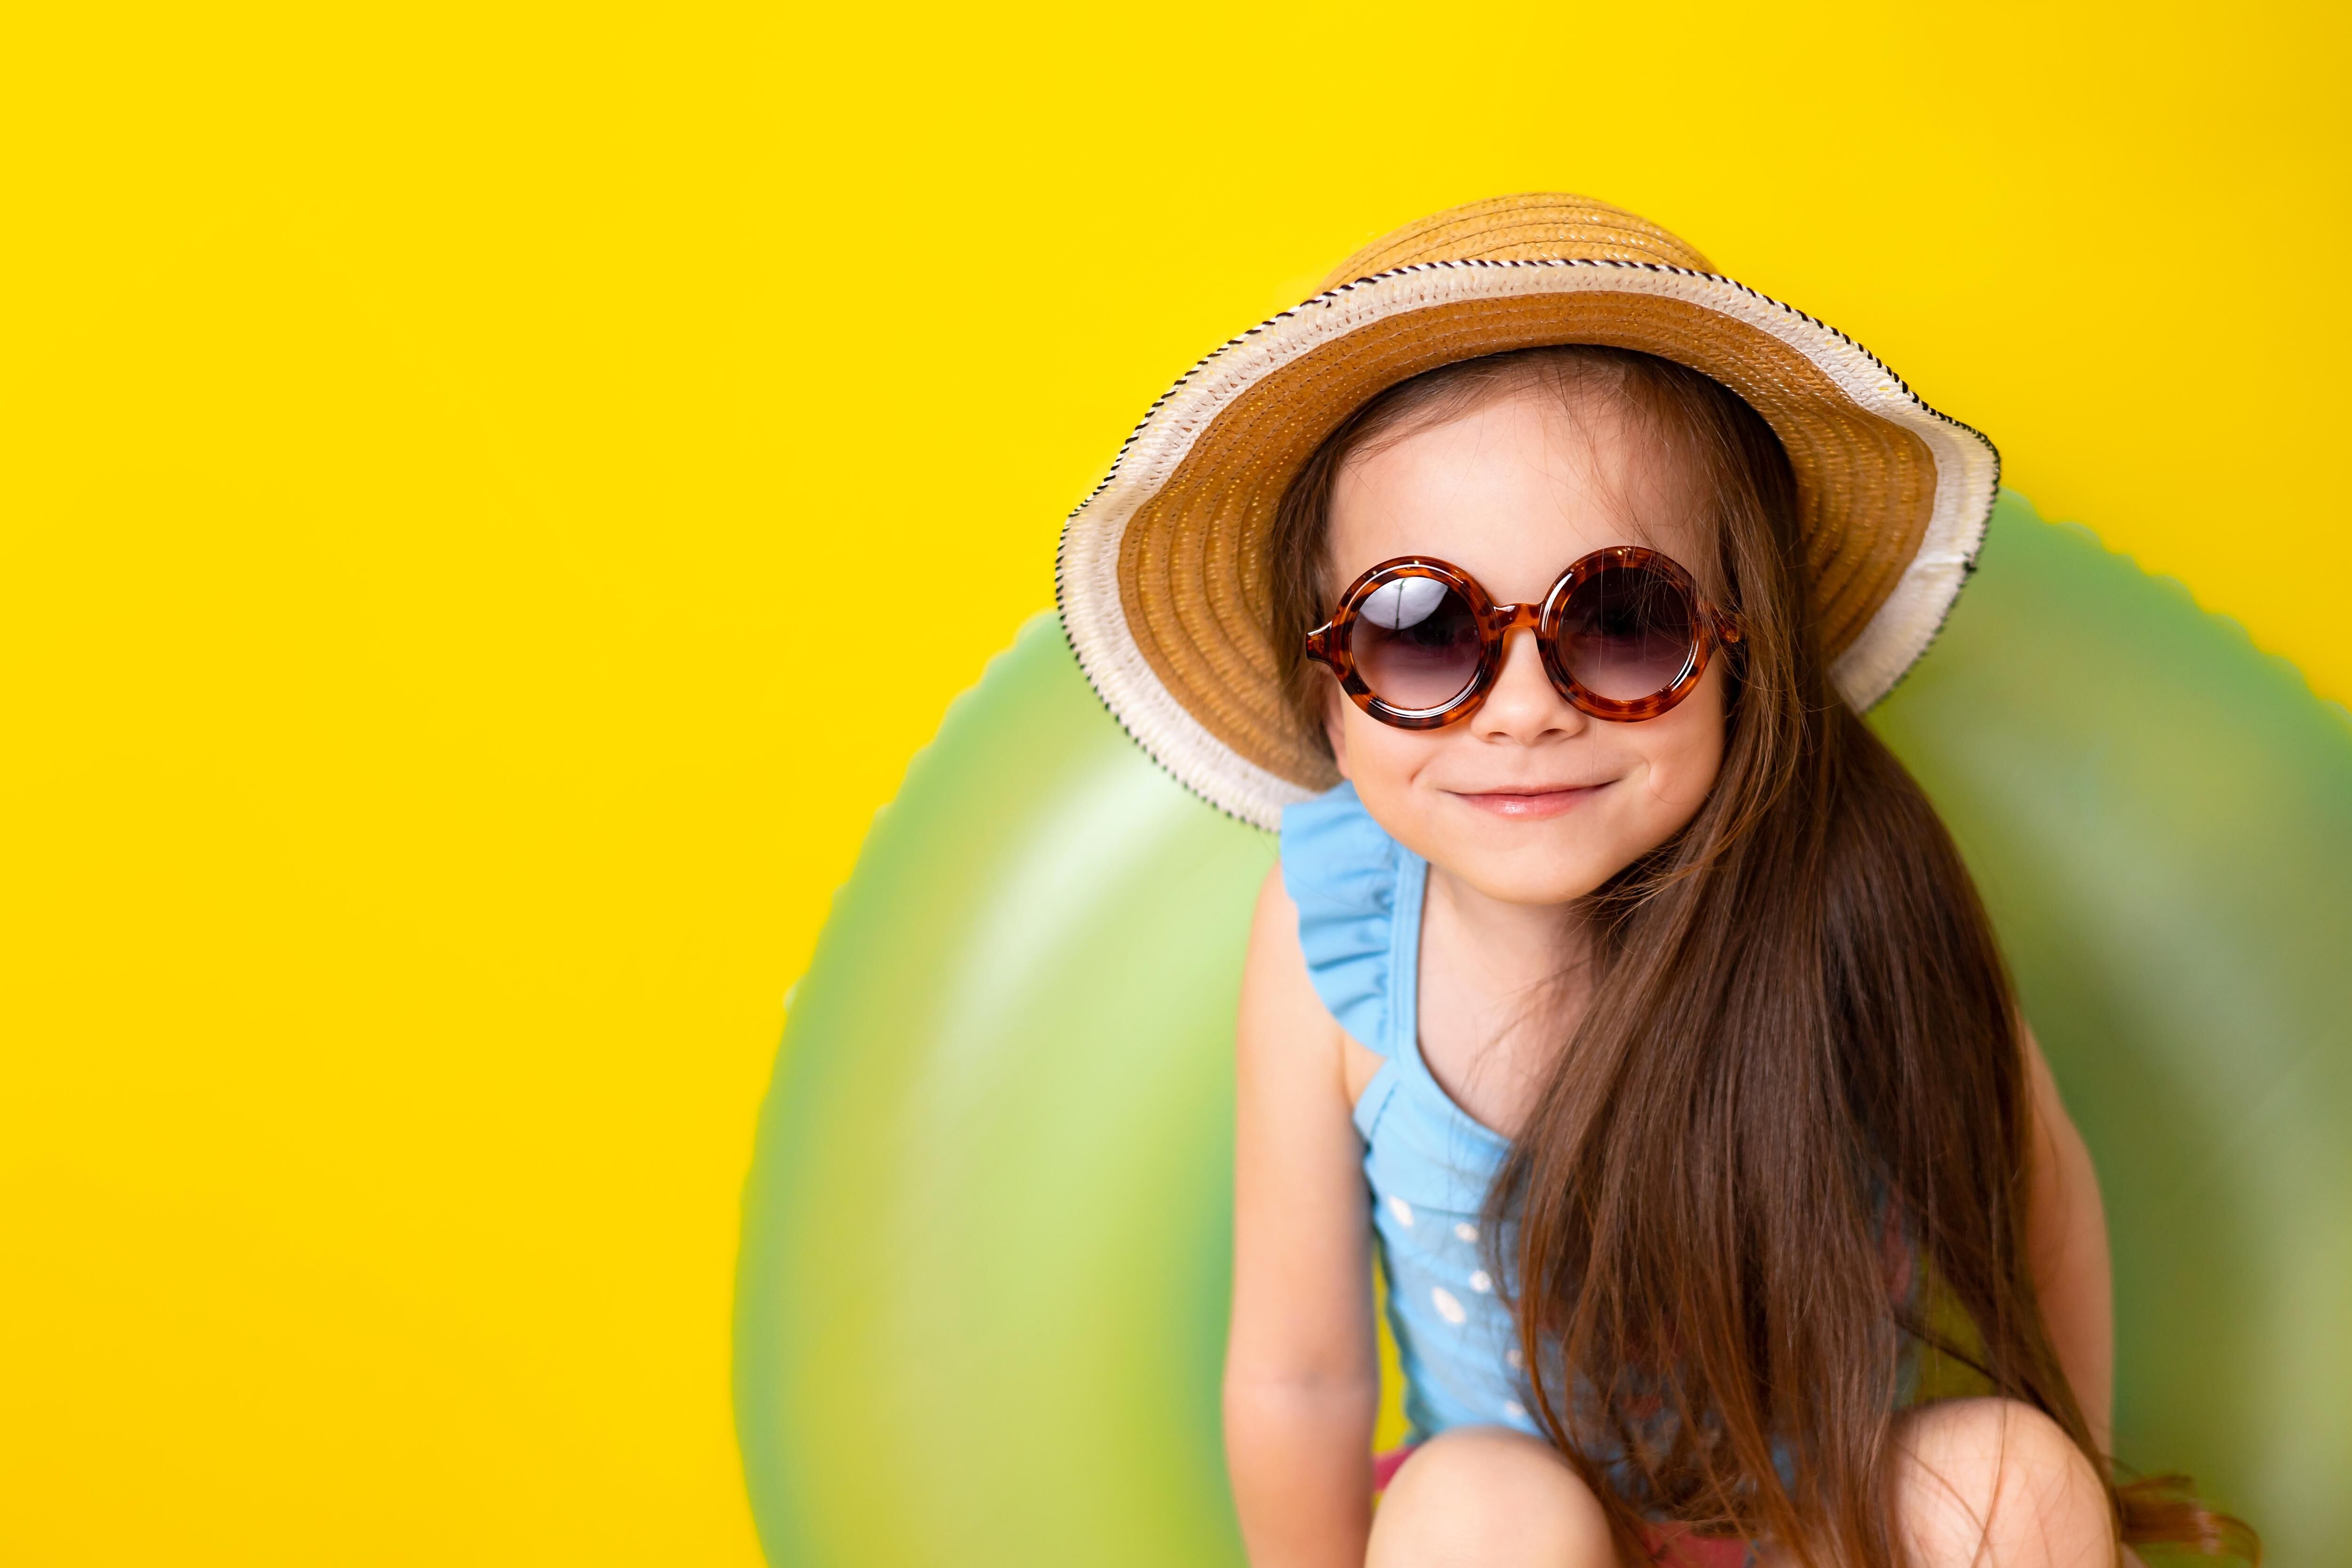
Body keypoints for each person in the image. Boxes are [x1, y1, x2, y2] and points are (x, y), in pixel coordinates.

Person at [1054, 196, 2249, 1568]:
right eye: (1421, 630)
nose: (1520, 710)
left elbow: (2045, 1199)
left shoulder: (1846, 880)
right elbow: (1299, 1374)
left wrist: (2064, 1495)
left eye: (1621, 621)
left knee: (2011, 1478)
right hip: (1528, 1551)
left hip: (1823, 1533)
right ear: (1331, 682)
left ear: (1743, 649)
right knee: (1475, 1505)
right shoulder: (1339, 923)